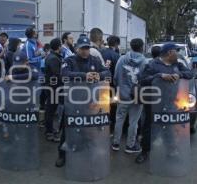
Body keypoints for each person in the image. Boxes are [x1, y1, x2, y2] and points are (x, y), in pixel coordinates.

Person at [55, 35, 111, 167]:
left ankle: (87, 150)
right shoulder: (70, 60)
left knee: (89, 128)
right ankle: (62, 155)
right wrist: (84, 76)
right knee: (68, 128)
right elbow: (64, 74)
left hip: (90, 101)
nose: (85, 51)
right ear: (77, 48)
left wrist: (100, 75)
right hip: (72, 102)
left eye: (87, 48)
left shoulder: (95, 60)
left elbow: (107, 73)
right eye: (82, 48)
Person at [135, 43, 193, 163]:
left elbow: (190, 74)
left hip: (170, 102)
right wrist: (160, 76)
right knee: (149, 127)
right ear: (169, 53)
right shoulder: (152, 64)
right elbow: (143, 80)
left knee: (169, 128)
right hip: (153, 102)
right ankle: (145, 152)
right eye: (176, 51)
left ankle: (171, 152)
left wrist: (179, 74)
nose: (178, 53)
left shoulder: (178, 64)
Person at [112, 38, 147, 153]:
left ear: (131, 46)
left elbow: (116, 77)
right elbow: (146, 80)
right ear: (141, 47)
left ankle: (115, 143)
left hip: (122, 95)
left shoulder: (122, 59)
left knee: (119, 119)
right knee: (133, 122)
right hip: (136, 96)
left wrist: (120, 88)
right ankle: (130, 146)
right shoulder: (144, 62)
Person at [44, 38, 63, 142]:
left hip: (52, 87)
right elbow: (57, 74)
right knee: (50, 111)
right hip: (53, 88)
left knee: (50, 110)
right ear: (59, 47)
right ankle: (50, 132)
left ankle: (50, 131)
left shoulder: (53, 57)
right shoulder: (53, 58)